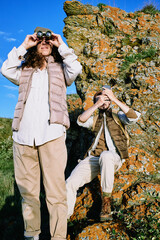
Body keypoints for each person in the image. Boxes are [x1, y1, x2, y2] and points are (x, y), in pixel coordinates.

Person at [1, 26, 82, 240]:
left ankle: (57, 237)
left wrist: (60, 43)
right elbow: (6, 69)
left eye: (47, 40)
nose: (44, 43)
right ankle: (32, 235)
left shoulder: (61, 69)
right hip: (23, 138)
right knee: (28, 194)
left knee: (56, 193)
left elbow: (76, 68)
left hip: (52, 136)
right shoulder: (24, 71)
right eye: (40, 41)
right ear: (34, 45)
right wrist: (24, 45)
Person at [66, 86, 140, 222]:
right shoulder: (94, 120)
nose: (103, 102)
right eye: (99, 99)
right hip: (94, 158)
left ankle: (106, 203)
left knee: (106, 155)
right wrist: (97, 104)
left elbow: (133, 117)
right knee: (70, 183)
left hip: (113, 157)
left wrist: (113, 98)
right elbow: (80, 121)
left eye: (106, 99)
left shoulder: (119, 116)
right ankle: (63, 219)